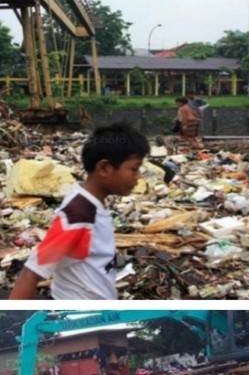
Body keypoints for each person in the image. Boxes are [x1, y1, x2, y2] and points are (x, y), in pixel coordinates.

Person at [9, 122, 150, 300]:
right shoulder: (79, 215)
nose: (138, 176)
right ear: (104, 168)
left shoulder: (90, 204)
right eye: (134, 168)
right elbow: (31, 273)